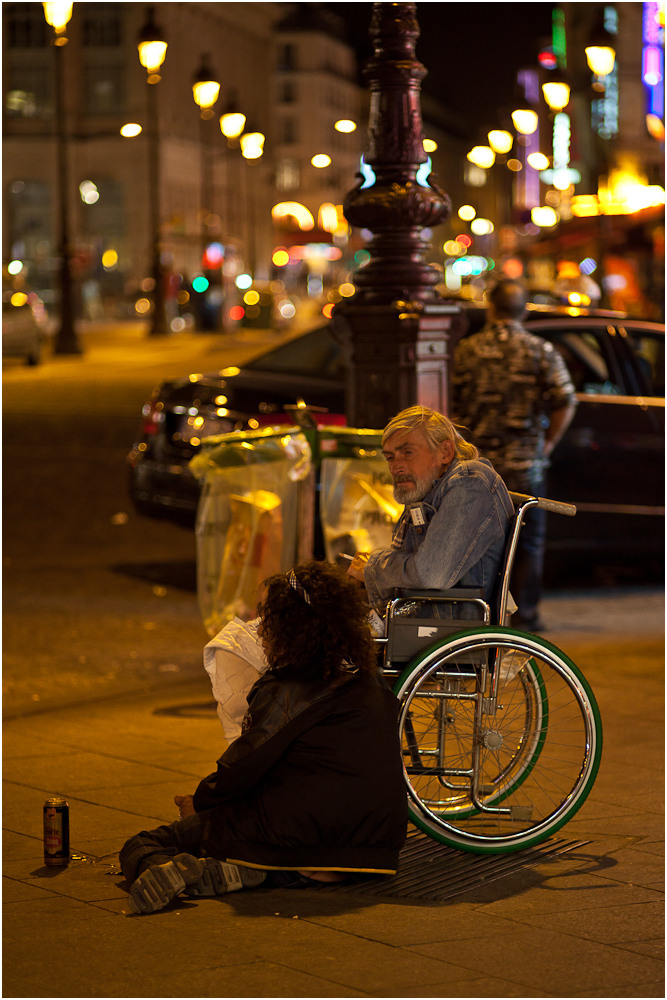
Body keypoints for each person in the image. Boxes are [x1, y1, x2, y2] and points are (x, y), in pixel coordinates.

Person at [119, 561, 408, 915]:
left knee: (145, 842)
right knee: (267, 826)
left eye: (265, 620)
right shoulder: (370, 679)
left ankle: (168, 870)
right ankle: (242, 870)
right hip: (377, 849)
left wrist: (200, 802)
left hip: (303, 840)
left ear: (286, 628)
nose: (259, 631)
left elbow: (240, 769)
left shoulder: (284, 688)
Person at [452, 279, 578, 630]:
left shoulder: (466, 351)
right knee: (529, 542)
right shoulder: (541, 350)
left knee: (480, 541)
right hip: (526, 464)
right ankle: (527, 617)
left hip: (479, 467)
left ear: (491, 307)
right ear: (523, 310)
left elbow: (450, 408)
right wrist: (547, 443)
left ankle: (483, 615)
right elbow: (565, 401)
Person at [347, 406, 515, 613]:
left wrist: (372, 569)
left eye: (408, 453)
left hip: (449, 624)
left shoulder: (470, 482)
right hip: (421, 614)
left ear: (445, 452)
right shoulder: (427, 488)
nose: (396, 466)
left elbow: (429, 573)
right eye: (390, 457)